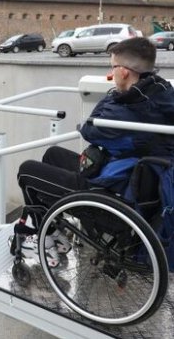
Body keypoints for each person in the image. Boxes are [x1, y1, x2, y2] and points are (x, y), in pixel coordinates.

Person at [14, 37, 174, 266]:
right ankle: (56, 231)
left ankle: (46, 241)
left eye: (113, 68)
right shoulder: (160, 94)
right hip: (131, 185)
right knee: (53, 154)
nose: (111, 74)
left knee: (27, 172)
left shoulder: (126, 112)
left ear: (125, 72)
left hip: (113, 202)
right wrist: (121, 94)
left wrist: (115, 93)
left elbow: (88, 129)